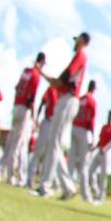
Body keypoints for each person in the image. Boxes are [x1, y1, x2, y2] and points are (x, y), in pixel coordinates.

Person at [34, 32, 90, 198]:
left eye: (77, 39)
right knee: (54, 143)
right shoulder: (77, 57)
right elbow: (59, 82)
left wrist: (43, 73)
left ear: (83, 40)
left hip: (68, 100)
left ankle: (45, 186)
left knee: (55, 142)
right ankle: (67, 187)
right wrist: (43, 73)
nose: (75, 42)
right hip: (66, 99)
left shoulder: (80, 55)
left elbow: (61, 81)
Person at [0, 53, 44, 184]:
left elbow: (17, 88)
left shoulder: (25, 72)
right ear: (42, 62)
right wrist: (34, 118)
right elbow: (31, 100)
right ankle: (10, 176)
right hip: (24, 109)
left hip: (16, 106)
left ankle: (1, 169)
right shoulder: (36, 75)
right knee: (17, 144)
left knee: (12, 141)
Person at [69, 80, 97, 202]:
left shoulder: (80, 99)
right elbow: (92, 120)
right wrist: (92, 136)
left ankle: (67, 187)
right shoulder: (91, 101)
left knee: (71, 161)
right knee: (84, 164)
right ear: (94, 88)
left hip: (74, 128)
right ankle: (85, 194)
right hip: (83, 131)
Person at [27, 86, 59, 188]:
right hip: (47, 121)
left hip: (56, 125)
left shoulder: (65, 93)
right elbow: (42, 102)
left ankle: (43, 183)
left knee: (49, 155)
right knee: (37, 152)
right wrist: (37, 119)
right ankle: (29, 179)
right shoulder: (52, 88)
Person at [88, 110, 111, 204]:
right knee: (91, 171)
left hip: (105, 153)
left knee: (103, 176)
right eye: (109, 115)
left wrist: (105, 149)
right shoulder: (104, 127)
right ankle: (96, 191)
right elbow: (100, 140)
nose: (109, 117)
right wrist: (94, 148)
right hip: (98, 152)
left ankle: (101, 197)